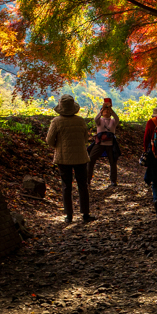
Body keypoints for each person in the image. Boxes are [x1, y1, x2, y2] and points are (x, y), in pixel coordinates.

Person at [46, 94, 95, 224]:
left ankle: (69, 215)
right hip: (80, 157)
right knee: (82, 185)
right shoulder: (80, 121)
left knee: (66, 186)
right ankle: (85, 214)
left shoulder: (56, 121)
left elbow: (49, 140)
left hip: (63, 159)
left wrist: (59, 145)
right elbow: (85, 139)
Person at [88, 102, 120, 186]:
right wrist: (101, 111)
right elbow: (95, 119)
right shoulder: (100, 120)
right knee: (90, 159)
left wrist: (111, 110)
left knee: (113, 162)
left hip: (111, 144)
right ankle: (87, 179)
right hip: (99, 143)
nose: (106, 111)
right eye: (104, 110)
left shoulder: (113, 121)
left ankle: (113, 180)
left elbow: (117, 119)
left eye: (107, 110)